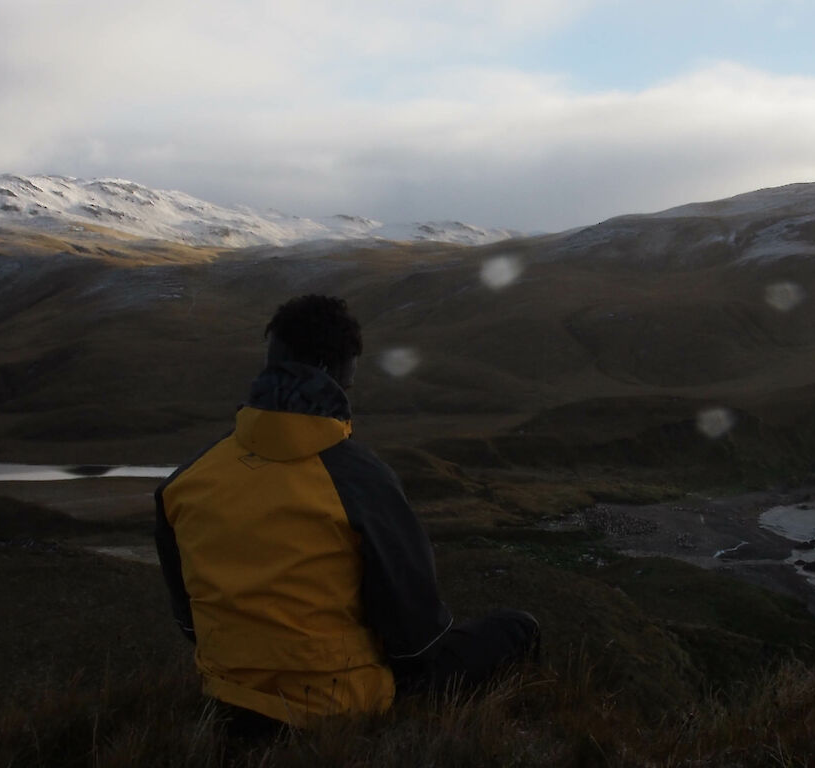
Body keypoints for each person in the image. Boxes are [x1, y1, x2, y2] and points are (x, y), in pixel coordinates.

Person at [154, 294, 538, 729]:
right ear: (329, 371)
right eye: (348, 381)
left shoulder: (186, 480)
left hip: (227, 697)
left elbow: (189, 624)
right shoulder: (359, 480)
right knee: (517, 629)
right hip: (338, 707)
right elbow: (416, 642)